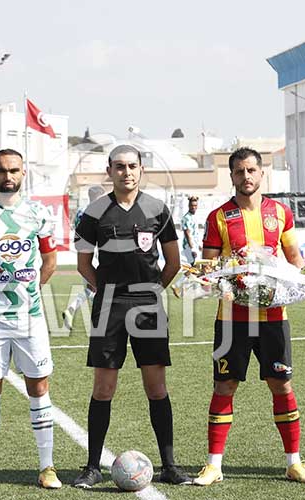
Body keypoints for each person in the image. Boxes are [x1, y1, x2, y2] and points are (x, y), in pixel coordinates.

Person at [193, 147, 305, 486]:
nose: (246, 177)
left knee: (281, 384)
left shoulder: (280, 213)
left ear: (261, 174)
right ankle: (214, 465)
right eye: (239, 172)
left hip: (274, 317)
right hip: (232, 319)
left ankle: (294, 462)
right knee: (225, 384)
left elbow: (294, 260)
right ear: (231, 176)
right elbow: (210, 268)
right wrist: (220, 279)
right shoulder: (218, 217)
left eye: (251, 170)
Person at [72, 144, 191, 488]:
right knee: (103, 389)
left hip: (148, 306)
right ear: (109, 170)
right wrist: (106, 291)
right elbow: (83, 263)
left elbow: (173, 262)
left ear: (142, 169)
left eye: (133, 166)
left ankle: (169, 466)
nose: (127, 172)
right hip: (109, 306)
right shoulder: (93, 212)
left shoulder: (158, 210)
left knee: (156, 389)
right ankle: (92, 467)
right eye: (120, 166)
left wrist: (152, 291)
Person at [0, 148, 62, 490]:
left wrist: (30, 290)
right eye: (2, 171)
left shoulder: (39, 213)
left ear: (24, 173)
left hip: (30, 315)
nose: (8, 176)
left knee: (39, 386)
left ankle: (47, 467)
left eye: (14, 170)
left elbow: (49, 260)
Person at [62, 185, 106, 329]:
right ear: (99, 196)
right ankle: (73, 310)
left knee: (92, 289)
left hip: (83, 253)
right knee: (95, 288)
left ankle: (76, 311)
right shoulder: (98, 211)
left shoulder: (82, 210)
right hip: (94, 253)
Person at [180, 196, 200, 265]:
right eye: (192, 205)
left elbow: (195, 233)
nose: (193, 207)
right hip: (188, 247)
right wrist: (192, 249)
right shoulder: (186, 218)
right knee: (193, 268)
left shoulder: (194, 216)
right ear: (188, 206)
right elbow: (187, 234)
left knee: (195, 268)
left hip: (195, 245)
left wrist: (199, 245)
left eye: (195, 205)